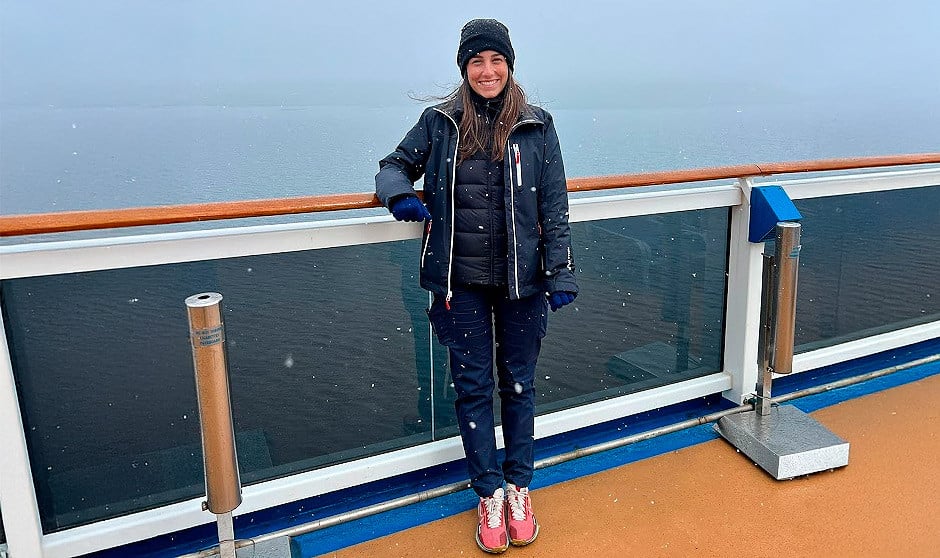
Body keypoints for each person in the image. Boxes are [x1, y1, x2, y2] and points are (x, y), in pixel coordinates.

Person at [375, 18, 578, 554]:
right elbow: (393, 166)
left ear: (509, 65)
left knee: (519, 386)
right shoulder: (440, 122)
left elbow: (554, 205)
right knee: (472, 389)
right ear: (464, 68)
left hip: (522, 282)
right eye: (476, 62)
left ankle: (519, 489)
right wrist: (400, 196)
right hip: (458, 282)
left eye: (496, 60)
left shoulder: (537, 125)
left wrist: (559, 270)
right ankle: (488, 493)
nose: (487, 71)